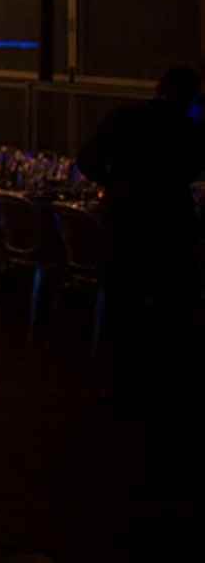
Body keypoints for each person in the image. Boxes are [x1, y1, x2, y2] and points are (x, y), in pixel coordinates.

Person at [78, 66, 204, 415]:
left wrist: (114, 184)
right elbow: (195, 170)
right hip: (169, 224)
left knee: (122, 306)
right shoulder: (187, 129)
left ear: (158, 87)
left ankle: (120, 386)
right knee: (171, 307)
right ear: (191, 96)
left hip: (124, 221)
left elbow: (85, 160)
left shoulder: (124, 117)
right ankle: (167, 388)